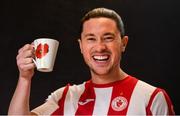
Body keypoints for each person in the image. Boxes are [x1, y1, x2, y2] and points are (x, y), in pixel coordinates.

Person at [8, 7, 175, 115]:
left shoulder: (152, 98)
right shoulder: (65, 97)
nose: (100, 47)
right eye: (91, 39)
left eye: (108, 38)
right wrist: (24, 78)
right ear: (81, 46)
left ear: (123, 43)